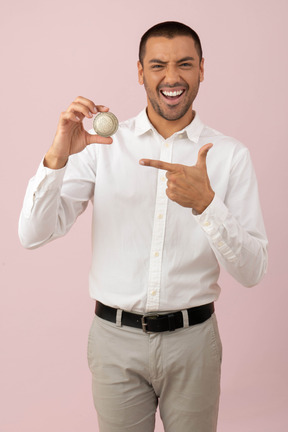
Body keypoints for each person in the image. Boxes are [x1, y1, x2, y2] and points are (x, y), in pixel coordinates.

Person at [18, 21, 268, 432]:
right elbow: (32, 234)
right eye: (158, 66)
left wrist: (206, 205)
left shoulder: (229, 156)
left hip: (194, 342)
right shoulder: (101, 146)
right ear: (140, 72)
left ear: (202, 69)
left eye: (185, 64)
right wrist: (57, 155)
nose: (172, 77)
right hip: (114, 339)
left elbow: (253, 271)